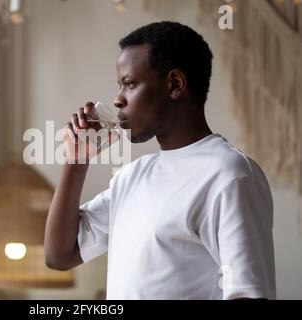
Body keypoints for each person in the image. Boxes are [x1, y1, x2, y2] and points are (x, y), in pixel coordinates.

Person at [44, 21, 276, 300]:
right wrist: (76, 163)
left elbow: (249, 293)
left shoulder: (230, 175)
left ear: (175, 84)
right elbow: (59, 255)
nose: (117, 100)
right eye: (119, 86)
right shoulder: (132, 177)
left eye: (129, 84)